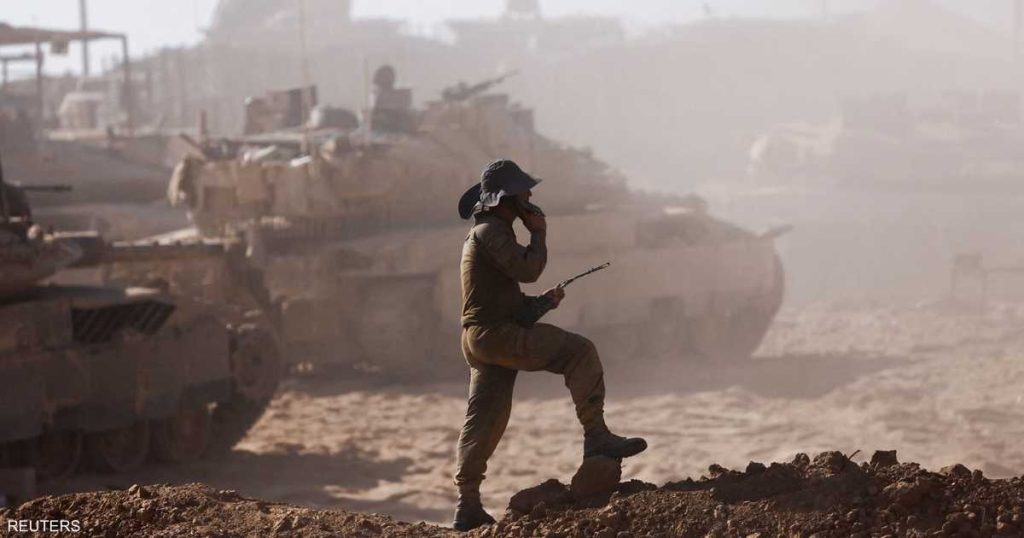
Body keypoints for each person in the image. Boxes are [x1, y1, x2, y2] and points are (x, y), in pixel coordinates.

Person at [451, 159, 647, 531]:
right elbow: (528, 270)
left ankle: (468, 504)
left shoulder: (486, 232)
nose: (529, 196)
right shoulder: (492, 232)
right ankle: (597, 437)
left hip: (482, 338)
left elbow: (502, 301)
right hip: (495, 336)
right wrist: (539, 233)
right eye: (522, 192)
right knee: (580, 352)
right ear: (507, 199)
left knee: (485, 418)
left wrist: (540, 304)